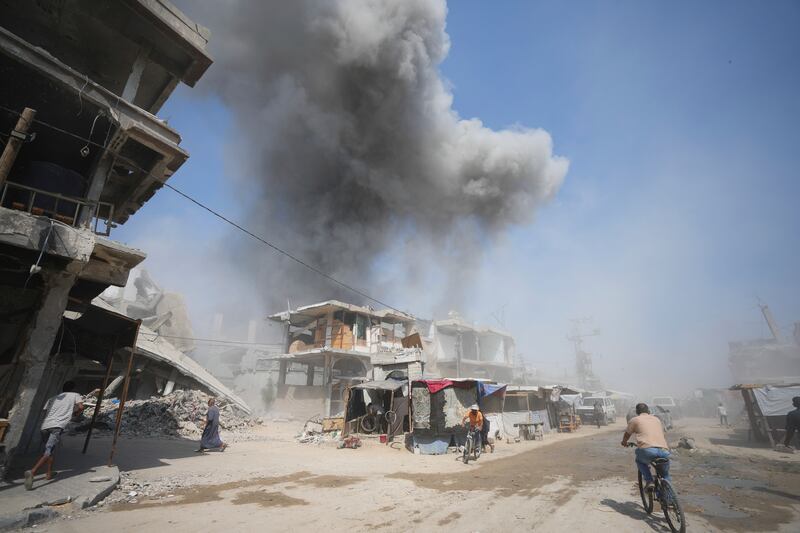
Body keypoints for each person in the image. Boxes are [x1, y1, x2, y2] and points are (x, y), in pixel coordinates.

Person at [24, 381, 85, 490]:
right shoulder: (75, 395)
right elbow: (81, 407)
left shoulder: (52, 398)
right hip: (57, 426)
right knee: (48, 451)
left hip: (45, 426)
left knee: (49, 450)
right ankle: (32, 472)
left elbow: (45, 411)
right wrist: (73, 414)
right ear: (73, 388)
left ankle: (49, 473)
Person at [621, 403, 671, 492]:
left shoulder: (635, 420)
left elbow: (627, 434)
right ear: (648, 411)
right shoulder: (657, 419)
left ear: (637, 412)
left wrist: (624, 442)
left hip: (647, 450)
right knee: (665, 475)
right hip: (664, 450)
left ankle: (649, 481)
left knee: (639, 460)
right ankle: (669, 496)